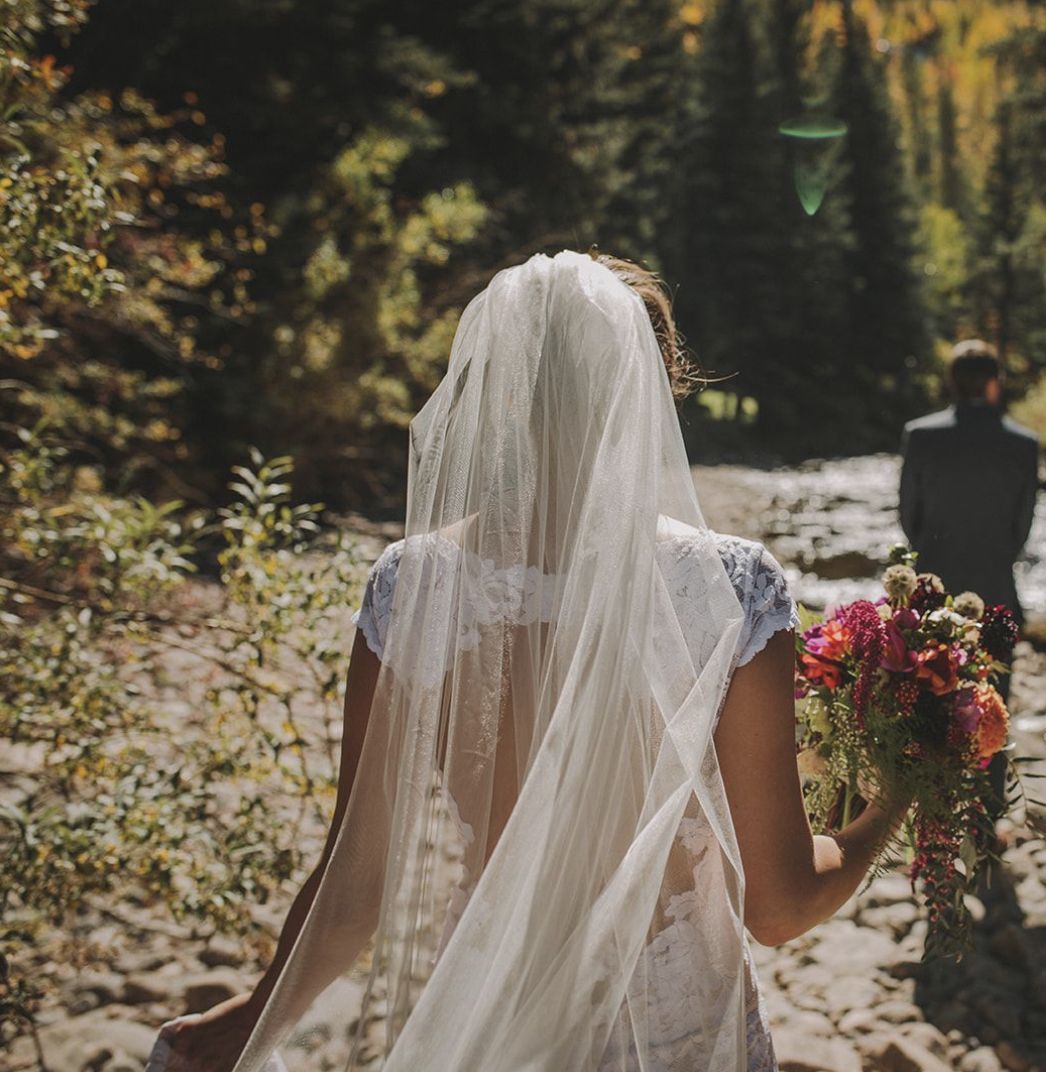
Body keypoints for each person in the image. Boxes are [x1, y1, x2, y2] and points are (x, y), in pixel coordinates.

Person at [145, 251, 909, 1072]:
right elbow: (782, 906)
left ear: (505, 386)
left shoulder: (411, 588)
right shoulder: (731, 587)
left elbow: (351, 898)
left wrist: (249, 1024)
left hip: (488, 1019)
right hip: (682, 1031)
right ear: (651, 388)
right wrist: (891, 803)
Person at [898, 339, 1038, 816]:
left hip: (934, 592)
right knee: (992, 705)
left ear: (952, 383)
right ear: (995, 384)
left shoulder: (920, 435)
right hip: (997, 592)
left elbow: (908, 519)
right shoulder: (1024, 444)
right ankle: (987, 811)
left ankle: (930, 808)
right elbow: (1021, 530)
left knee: (928, 699)